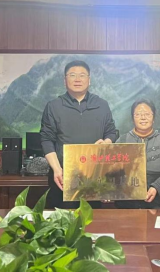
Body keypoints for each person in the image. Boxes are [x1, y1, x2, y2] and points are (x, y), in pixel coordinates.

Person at [40, 60, 117, 208]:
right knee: (62, 219)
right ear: (65, 80)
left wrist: (107, 142)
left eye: (82, 75)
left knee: (92, 219)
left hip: (94, 176)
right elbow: (46, 139)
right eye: (72, 75)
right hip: (63, 176)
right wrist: (57, 169)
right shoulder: (54, 106)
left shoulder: (102, 105)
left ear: (89, 80)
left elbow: (111, 132)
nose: (77, 79)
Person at [115, 99, 160, 209]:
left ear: (153, 118)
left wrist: (156, 187)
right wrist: (108, 190)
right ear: (132, 118)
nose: (143, 117)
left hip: (157, 204)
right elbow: (112, 170)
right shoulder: (121, 141)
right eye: (138, 114)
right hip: (126, 206)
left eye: (147, 114)